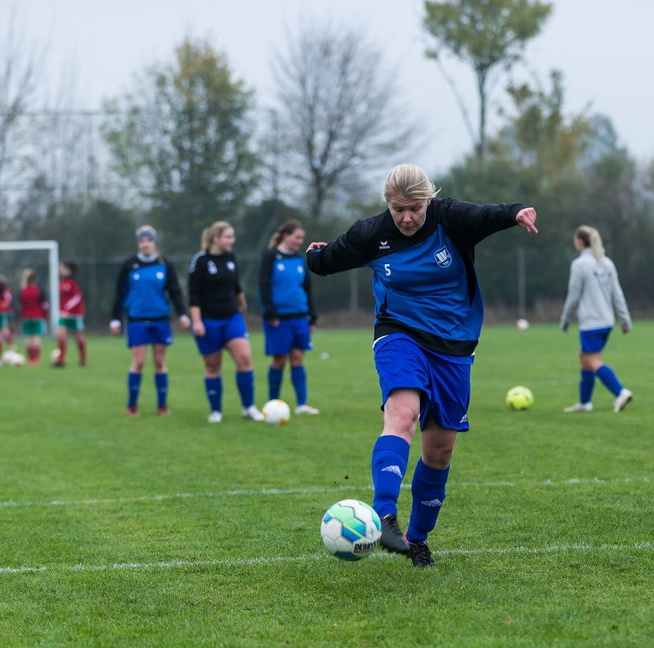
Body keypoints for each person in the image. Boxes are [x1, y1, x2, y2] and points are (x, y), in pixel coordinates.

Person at [307, 164, 538, 567]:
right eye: (399, 210)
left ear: (428, 201)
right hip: (399, 334)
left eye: (415, 208)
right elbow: (327, 261)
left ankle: (417, 540)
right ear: (388, 204)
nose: (407, 218)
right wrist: (315, 256)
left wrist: (517, 212)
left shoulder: (450, 218)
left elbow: (488, 214)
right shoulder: (371, 234)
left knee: (440, 450)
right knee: (402, 413)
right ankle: (383, 515)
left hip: (453, 346)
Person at [188, 221, 263, 423]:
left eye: (233, 237)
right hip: (208, 321)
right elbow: (193, 295)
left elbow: (236, 285)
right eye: (228, 237)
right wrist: (197, 322)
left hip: (232, 318)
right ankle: (215, 411)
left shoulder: (231, 257)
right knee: (213, 366)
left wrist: (242, 302)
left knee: (245, 359)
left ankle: (249, 407)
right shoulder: (200, 261)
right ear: (216, 238)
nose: (232, 241)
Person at [110, 225, 189, 416]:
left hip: (160, 319)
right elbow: (119, 293)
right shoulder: (129, 265)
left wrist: (182, 314)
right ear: (138, 243)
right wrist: (115, 319)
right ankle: (132, 405)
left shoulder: (165, 264)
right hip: (137, 319)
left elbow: (175, 292)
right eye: (142, 241)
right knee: (138, 361)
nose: (145, 244)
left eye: (149, 240)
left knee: (160, 362)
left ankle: (162, 406)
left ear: (155, 242)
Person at [559, 225, 634, 413]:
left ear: (579, 241)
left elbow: (573, 296)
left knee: (592, 360)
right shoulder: (607, 262)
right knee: (584, 358)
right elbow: (617, 293)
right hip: (607, 321)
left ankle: (620, 392)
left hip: (591, 322)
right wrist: (625, 320)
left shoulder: (579, 265)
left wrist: (565, 319)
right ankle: (585, 403)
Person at [259, 220, 319, 415]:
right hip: (278, 318)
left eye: (302, 238)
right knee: (279, 360)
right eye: (296, 237)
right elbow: (263, 286)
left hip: (300, 316)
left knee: (298, 358)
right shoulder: (270, 256)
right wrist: (270, 312)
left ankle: (302, 404)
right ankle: (272, 403)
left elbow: (307, 289)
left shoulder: (300, 259)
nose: (299, 241)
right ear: (286, 235)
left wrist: (312, 316)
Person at [53, 260, 88, 367]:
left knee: (78, 336)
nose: (60, 269)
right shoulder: (63, 281)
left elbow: (77, 297)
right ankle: (61, 360)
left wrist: (67, 310)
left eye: (62, 267)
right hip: (64, 314)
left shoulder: (74, 281)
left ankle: (83, 360)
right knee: (61, 335)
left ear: (68, 269)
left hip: (75, 314)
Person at [18, 268, 49, 365]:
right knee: (36, 337)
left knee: (28, 337)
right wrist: (45, 315)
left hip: (26, 317)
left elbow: (21, 305)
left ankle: (30, 358)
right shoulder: (38, 290)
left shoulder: (23, 291)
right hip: (37, 317)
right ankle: (35, 359)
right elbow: (44, 305)